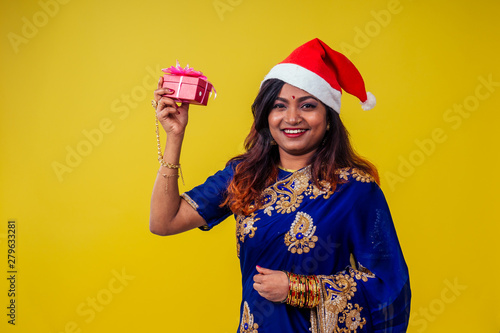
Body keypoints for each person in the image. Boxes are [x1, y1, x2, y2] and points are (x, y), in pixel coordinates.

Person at [150, 38, 411, 332]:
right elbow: (163, 221)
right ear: (267, 117)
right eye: (279, 106)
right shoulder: (244, 175)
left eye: (308, 105)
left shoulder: (355, 190)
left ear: (328, 119)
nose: (292, 118)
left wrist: (298, 289)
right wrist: (175, 136)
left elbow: (389, 285)